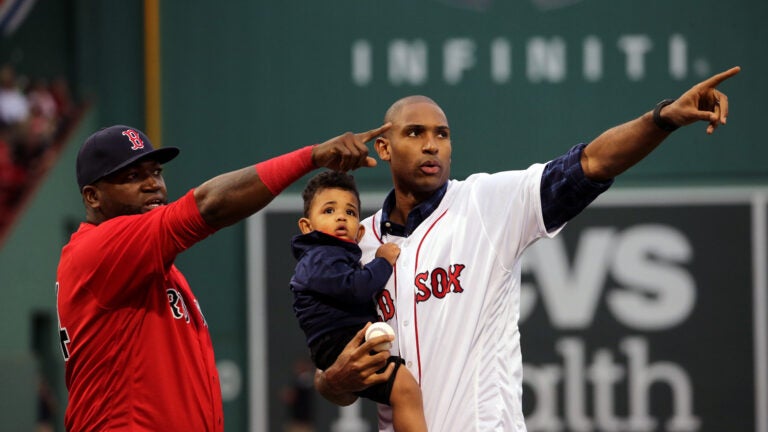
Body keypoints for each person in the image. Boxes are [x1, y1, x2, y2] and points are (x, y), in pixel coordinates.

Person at [314, 66, 742, 431]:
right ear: (384, 148)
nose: (431, 145)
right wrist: (331, 383)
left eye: (442, 134)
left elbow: (591, 163)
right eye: (415, 133)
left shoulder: (487, 204)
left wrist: (662, 118)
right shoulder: (358, 245)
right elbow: (336, 364)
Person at [55, 123, 392, 431]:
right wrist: (312, 157)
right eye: (131, 177)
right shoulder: (100, 249)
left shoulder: (151, 271)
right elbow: (210, 205)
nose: (152, 184)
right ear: (92, 197)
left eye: (156, 172)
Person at [290, 170, 427, 432]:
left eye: (350, 212)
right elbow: (357, 288)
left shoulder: (331, 255)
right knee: (405, 390)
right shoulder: (319, 256)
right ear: (307, 226)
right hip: (340, 343)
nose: (341, 216)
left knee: (404, 390)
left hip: (340, 340)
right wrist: (383, 261)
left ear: (360, 231)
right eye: (328, 211)